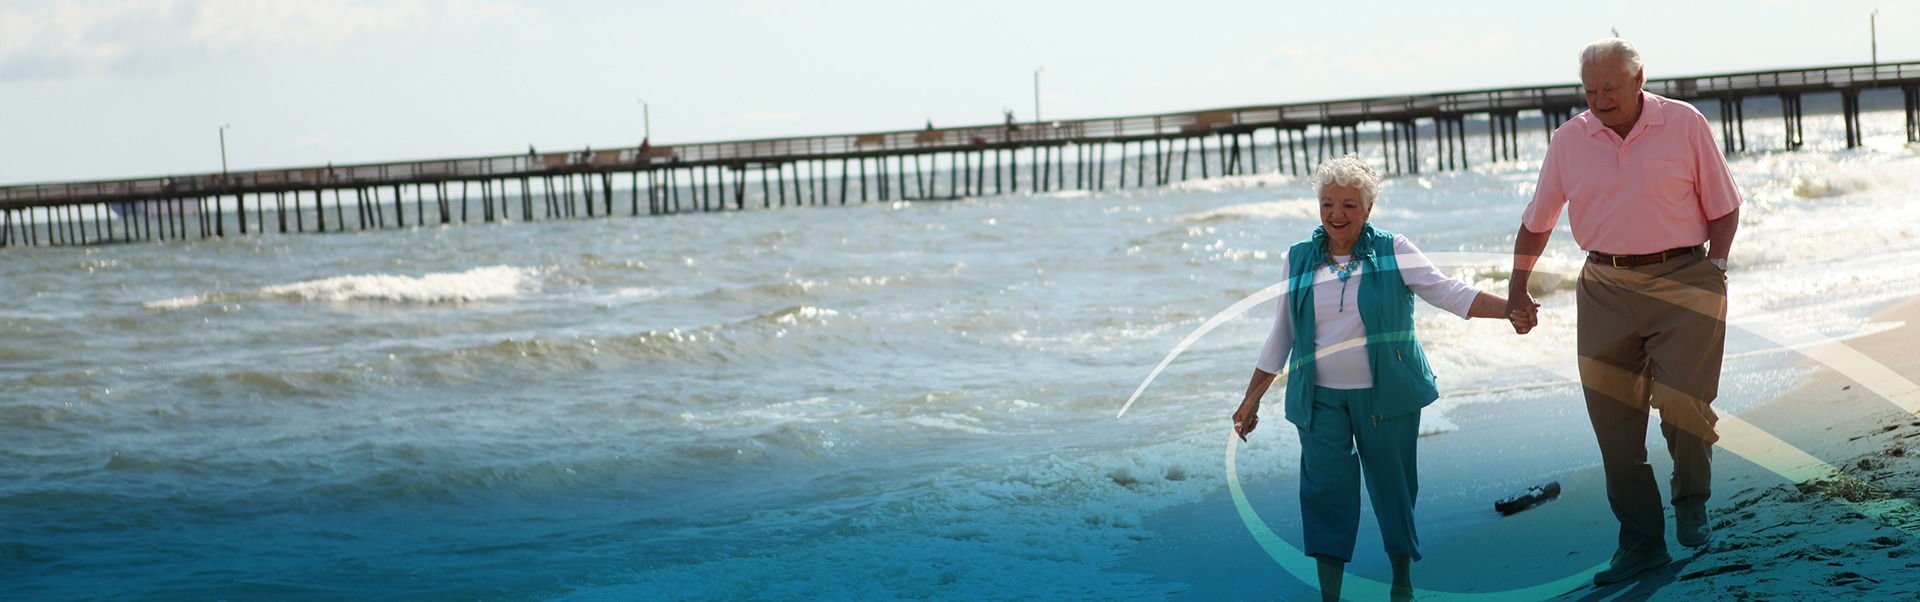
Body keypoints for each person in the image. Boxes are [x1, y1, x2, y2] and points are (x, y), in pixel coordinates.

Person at [1506, 37, 1740, 586]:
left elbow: (1724, 205)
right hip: (1603, 287)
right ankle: (1640, 543)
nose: (1599, 99)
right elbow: (1537, 222)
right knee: (1615, 426)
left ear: (1639, 79)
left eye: (1610, 87)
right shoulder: (1569, 140)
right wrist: (1517, 288)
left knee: (1685, 403)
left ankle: (1691, 502)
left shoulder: (1684, 124)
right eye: (1590, 90)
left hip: (1685, 279)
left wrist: (1718, 266)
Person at [1232, 155, 1514, 602]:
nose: (1336, 215)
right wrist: (1252, 398)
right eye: (1327, 203)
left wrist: (1509, 307)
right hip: (1320, 400)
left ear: (1368, 208)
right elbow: (1282, 332)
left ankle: (1401, 584)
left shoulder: (1393, 249)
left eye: (1348, 204)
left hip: (1387, 395)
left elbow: (1447, 292)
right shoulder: (1298, 258)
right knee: (1324, 494)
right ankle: (1331, 597)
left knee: (1393, 490)